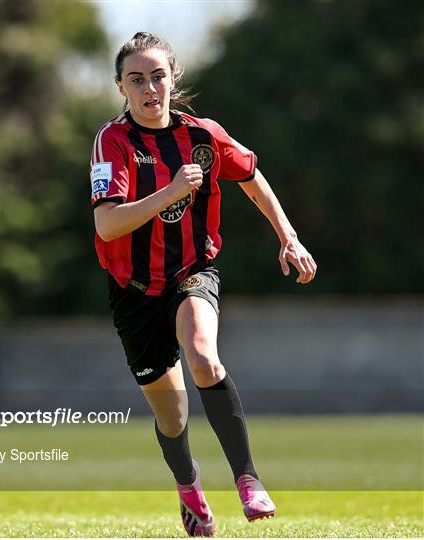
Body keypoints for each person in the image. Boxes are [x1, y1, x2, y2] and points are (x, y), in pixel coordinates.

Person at [89, 32, 317, 537]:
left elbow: (251, 174)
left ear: (173, 79)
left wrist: (290, 237)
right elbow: (107, 226)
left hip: (194, 269)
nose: (150, 88)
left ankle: (249, 480)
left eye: (158, 76)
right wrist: (170, 192)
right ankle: (189, 485)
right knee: (171, 417)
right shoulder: (113, 141)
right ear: (121, 88)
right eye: (136, 80)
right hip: (133, 290)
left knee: (203, 355)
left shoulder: (203, 135)